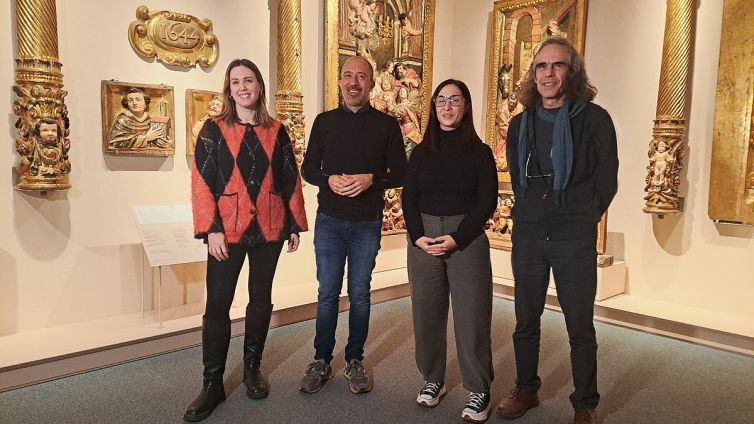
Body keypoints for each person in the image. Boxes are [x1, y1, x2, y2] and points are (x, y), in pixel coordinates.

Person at [497, 38, 618, 424]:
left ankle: (585, 403)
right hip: (529, 234)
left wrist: (581, 215)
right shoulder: (520, 123)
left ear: (573, 72)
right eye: (541, 67)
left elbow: (607, 181)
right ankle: (526, 390)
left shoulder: (595, 120)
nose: (548, 74)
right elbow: (518, 178)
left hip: (574, 236)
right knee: (525, 319)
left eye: (558, 66)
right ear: (534, 75)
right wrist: (536, 207)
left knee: (579, 325)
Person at [185, 58, 308, 422]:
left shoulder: (278, 130)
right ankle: (212, 383)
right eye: (236, 81)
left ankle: (252, 368)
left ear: (259, 87)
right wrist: (212, 229)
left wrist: (294, 224)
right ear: (229, 89)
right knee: (218, 304)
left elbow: (290, 178)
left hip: (269, 227)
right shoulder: (212, 130)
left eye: (249, 80)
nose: (242, 87)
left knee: (260, 299)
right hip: (228, 230)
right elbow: (201, 183)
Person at [299, 55, 406, 395]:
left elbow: (401, 173)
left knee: (359, 294)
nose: (354, 82)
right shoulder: (324, 122)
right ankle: (321, 360)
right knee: (327, 293)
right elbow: (308, 169)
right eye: (348, 76)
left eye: (361, 76)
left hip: (366, 222)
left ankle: (355, 359)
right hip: (329, 220)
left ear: (372, 83)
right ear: (340, 81)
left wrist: (370, 178)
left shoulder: (387, 125)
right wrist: (328, 180)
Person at [401, 79, 498, 423]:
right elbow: (408, 197)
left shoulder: (480, 152)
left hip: (466, 240)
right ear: (433, 107)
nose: (446, 106)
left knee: (472, 317)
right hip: (424, 240)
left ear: (466, 106)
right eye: (441, 100)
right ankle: (433, 379)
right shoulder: (421, 152)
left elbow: (487, 202)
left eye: (454, 100)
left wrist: (457, 237)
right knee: (426, 315)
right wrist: (416, 236)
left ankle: (478, 388)